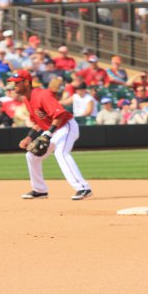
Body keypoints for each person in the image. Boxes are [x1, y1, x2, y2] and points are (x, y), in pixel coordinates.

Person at [7, 69, 93, 200]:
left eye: (17, 82)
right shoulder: (27, 99)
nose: (14, 86)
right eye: (13, 83)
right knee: (31, 156)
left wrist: (47, 134)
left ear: (26, 82)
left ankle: (83, 188)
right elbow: (37, 122)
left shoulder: (42, 95)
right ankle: (40, 190)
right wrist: (29, 137)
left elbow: (59, 115)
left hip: (66, 126)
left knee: (61, 153)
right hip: (54, 130)